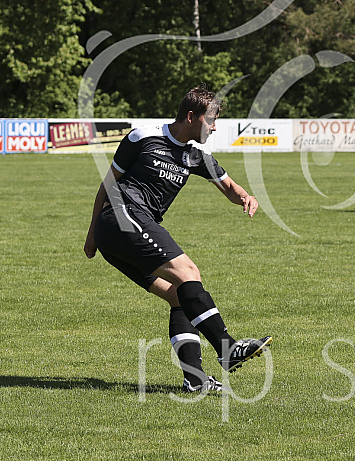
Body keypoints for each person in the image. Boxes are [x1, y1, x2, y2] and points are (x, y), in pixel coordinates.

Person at [84, 86, 272, 392]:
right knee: (189, 273)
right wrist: (92, 232)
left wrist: (245, 197)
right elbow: (108, 184)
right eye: (211, 120)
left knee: (180, 297)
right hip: (121, 217)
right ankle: (227, 349)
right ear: (191, 117)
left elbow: (228, 186)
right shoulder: (142, 137)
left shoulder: (197, 155)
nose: (214, 126)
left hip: (127, 232)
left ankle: (194, 379)